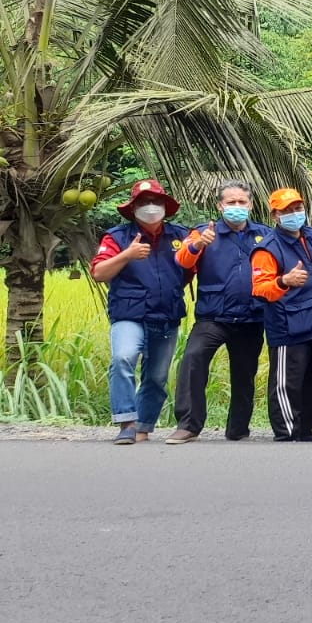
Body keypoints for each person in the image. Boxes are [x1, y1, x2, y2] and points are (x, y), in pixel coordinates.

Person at [90, 179, 191, 445]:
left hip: (167, 314)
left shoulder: (180, 236)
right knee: (123, 358)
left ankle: (143, 427)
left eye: (155, 201)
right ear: (133, 208)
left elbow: (192, 269)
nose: (150, 207)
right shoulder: (117, 237)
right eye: (143, 202)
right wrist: (128, 254)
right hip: (129, 314)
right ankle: (126, 422)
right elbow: (99, 273)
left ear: (165, 207)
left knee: (156, 377)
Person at [168, 181, 267, 444]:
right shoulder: (202, 233)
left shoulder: (264, 235)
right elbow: (181, 261)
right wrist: (198, 245)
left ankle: (238, 429)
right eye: (230, 203)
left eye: (241, 202)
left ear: (251, 205)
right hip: (213, 316)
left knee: (245, 374)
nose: (236, 207)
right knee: (193, 360)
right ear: (220, 206)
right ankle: (188, 425)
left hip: (251, 317)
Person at [250, 187, 312, 441]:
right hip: (287, 325)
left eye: (298, 208)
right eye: (287, 210)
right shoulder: (268, 248)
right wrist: (284, 280)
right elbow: (260, 289)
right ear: (275, 215)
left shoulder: (311, 236)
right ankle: (286, 430)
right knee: (287, 382)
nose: (295, 214)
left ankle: (305, 427)